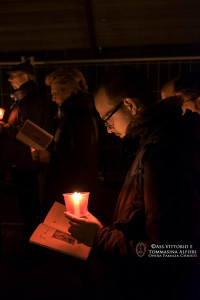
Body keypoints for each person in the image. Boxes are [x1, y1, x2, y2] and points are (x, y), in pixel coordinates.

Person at [65, 66, 200, 300]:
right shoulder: (153, 145)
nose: (107, 130)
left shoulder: (162, 156)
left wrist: (99, 237)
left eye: (107, 118)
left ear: (129, 105)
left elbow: (168, 252)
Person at [0, 62, 54, 264]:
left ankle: (35, 255)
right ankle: (34, 252)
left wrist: (4, 128)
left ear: (25, 77)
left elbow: (33, 134)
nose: (9, 79)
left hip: (27, 166)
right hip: (23, 164)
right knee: (29, 211)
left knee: (31, 212)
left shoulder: (29, 102)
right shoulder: (24, 100)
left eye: (13, 75)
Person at [44, 67, 99, 213]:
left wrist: (50, 158)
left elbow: (81, 157)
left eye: (55, 93)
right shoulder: (70, 114)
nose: (53, 98)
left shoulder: (79, 117)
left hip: (73, 187)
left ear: (68, 91)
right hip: (69, 184)